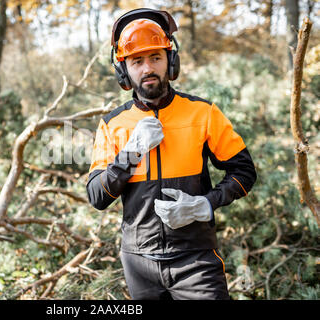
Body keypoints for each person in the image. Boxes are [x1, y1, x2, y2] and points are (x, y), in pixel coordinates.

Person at [86, 8, 257, 300]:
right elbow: (97, 196)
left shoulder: (203, 113)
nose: (147, 68)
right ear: (123, 69)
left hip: (196, 259)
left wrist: (206, 203)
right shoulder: (112, 124)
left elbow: (244, 172)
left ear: (170, 61)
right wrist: (130, 153)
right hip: (138, 261)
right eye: (137, 60)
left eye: (155, 57)